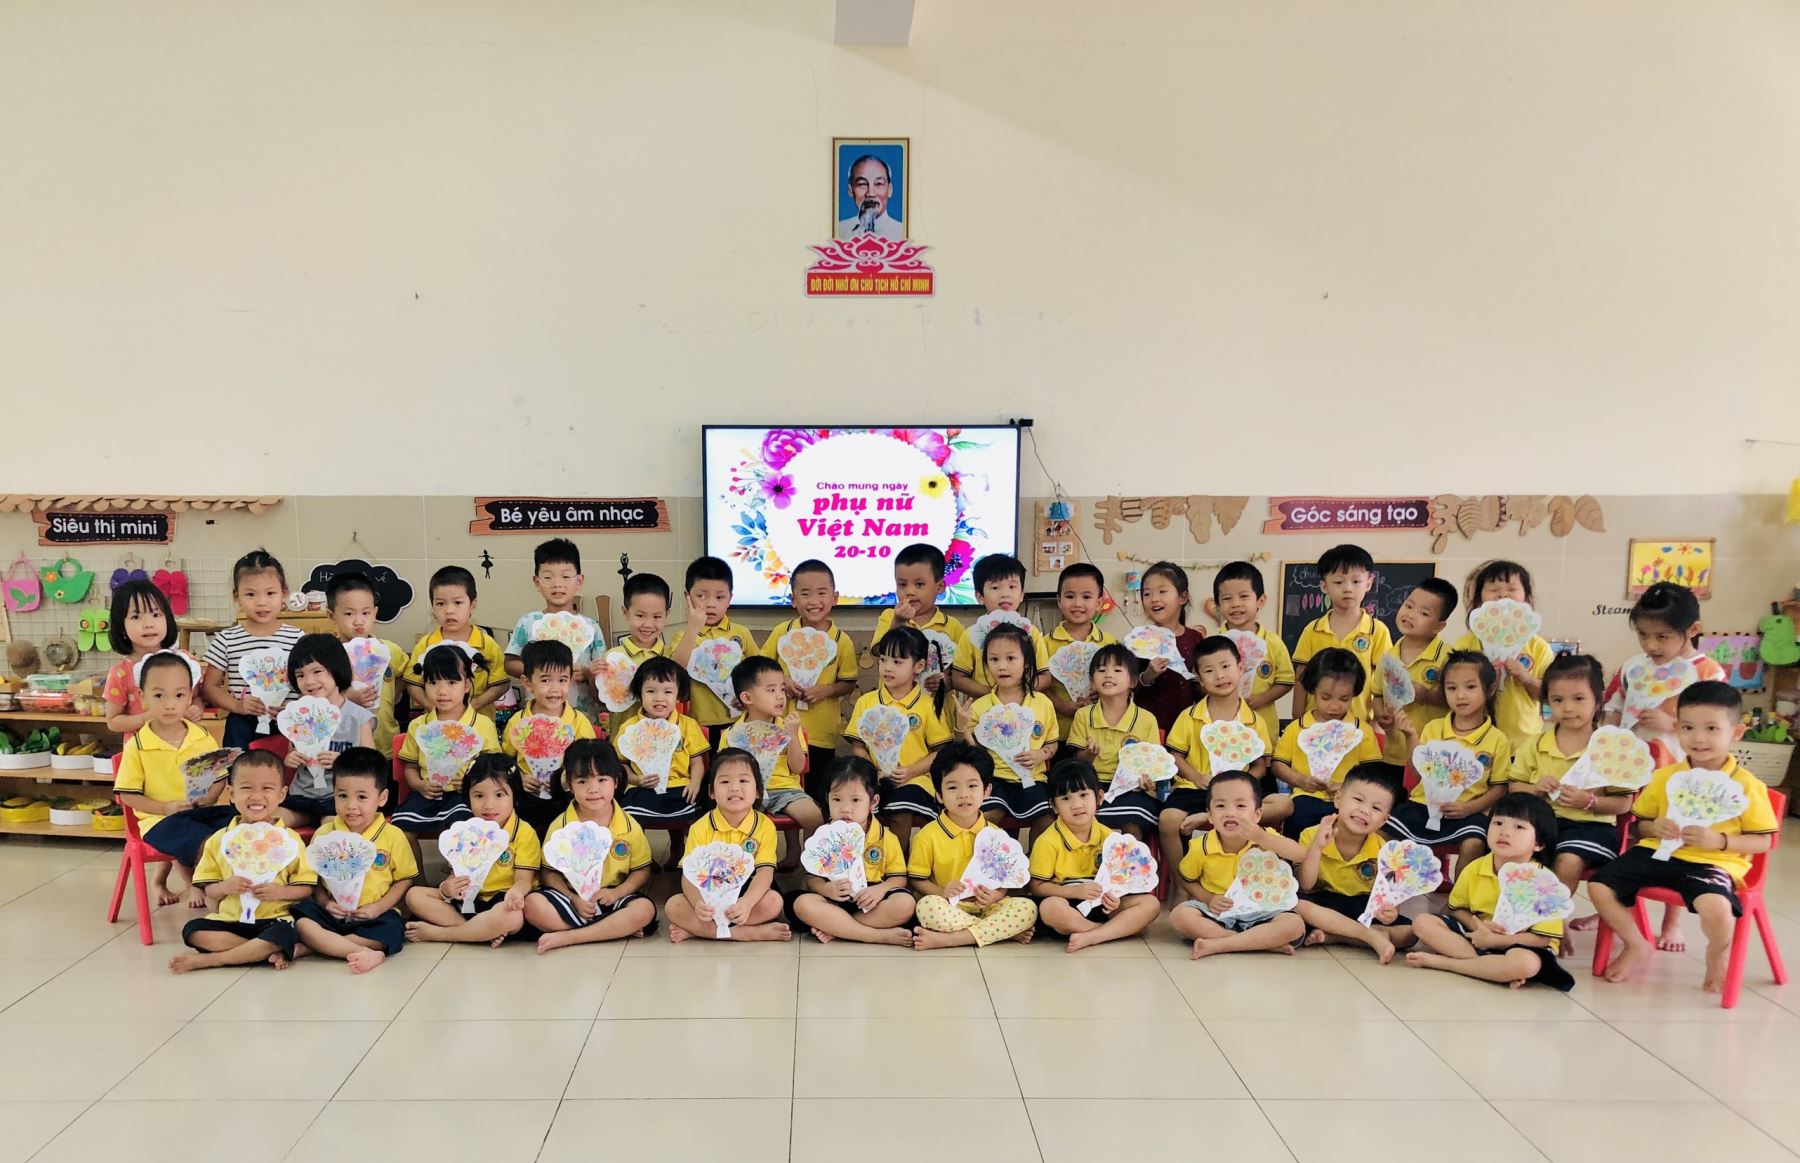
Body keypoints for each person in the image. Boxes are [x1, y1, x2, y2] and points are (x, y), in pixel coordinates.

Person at [1589, 681, 1779, 992]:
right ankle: (1636, 943)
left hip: (1712, 862)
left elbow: (1764, 841)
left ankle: (1717, 953)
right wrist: (1654, 827)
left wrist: (1720, 841)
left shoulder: (1747, 785)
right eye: (1688, 728)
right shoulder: (1666, 776)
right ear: (1677, 728)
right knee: (1599, 885)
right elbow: (1638, 825)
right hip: (1657, 853)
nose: (1699, 738)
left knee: (1717, 909)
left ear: (1735, 733)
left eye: (1712, 729)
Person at [1600, 580, 1726, 953]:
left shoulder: (1706, 671)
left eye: (1662, 637)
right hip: (1628, 770)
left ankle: (1673, 921)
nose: (1651, 645)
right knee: (1624, 835)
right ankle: (1616, 906)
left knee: (1674, 839)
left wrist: (1672, 724)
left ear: (1693, 630)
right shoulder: (1632, 667)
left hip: (1680, 773)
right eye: (1643, 635)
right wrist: (1608, 736)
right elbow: (1613, 706)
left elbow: (1717, 723)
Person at [1505, 653, 1633, 951]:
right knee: (1511, 848)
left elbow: (1624, 804)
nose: (1568, 708)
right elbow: (1514, 786)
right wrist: (1535, 789)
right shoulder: (1536, 743)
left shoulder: (1610, 748)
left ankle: (1553, 919)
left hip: (1592, 829)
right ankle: (1513, 918)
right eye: (1558, 700)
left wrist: (1590, 801)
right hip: (1545, 824)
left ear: (1598, 700)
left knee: (1569, 859)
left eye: (1578, 698)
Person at [1405, 792, 1574, 991]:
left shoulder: (1544, 882)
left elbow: (1542, 938)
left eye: (1519, 827)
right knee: (1423, 922)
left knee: (1527, 964)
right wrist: (1478, 927)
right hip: (1477, 936)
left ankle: (1448, 964)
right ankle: (1491, 969)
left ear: (1539, 843)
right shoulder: (1475, 868)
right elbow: (1456, 909)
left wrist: (1498, 940)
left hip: (1520, 942)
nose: (1505, 832)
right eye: (1498, 823)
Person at [170, 751, 316, 974]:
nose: (257, 796)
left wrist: (280, 892)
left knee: (285, 932)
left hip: (274, 919)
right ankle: (264, 951)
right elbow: (209, 890)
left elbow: (306, 888)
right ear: (231, 793)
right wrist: (225, 887)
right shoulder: (219, 840)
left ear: (281, 794)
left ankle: (214, 960)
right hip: (231, 920)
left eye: (267, 788)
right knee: (193, 930)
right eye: (247, 788)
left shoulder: (290, 840)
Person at [114, 651, 236, 907]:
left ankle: (243, 887)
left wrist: (210, 797)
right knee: (203, 839)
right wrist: (164, 808)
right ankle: (211, 891)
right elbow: (128, 796)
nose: (170, 704)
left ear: (190, 697)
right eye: (159, 696)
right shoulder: (138, 745)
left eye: (179, 695)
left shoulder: (201, 736)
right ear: (143, 697)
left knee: (239, 824)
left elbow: (218, 778)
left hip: (199, 811)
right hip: (159, 820)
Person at [524, 740, 658, 952]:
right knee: (532, 904)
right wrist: (572, 898)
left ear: (616, 781)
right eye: (582, 781)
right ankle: (609, 929)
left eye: (602, 779)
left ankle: (570, 936)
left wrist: (617, 893)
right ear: (569, 784)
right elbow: (549, 873)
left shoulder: (629, 826)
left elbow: (641, 870)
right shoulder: (560, 826)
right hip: (571, 898)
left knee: (644, 910)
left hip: (612, 896)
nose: (593, 789)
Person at [290, 747, 417, 973]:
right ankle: (357, 950)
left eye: (362, 797)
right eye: (342, 796)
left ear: (382, 798)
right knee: (302, 921)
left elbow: (404, 879)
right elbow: (315, 881)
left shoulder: (393, 835)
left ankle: (318, 947)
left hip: (373, 915)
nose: (351, 805)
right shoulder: (324, 834)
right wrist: (325, 903)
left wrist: (378, 908)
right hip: (332, 914)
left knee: (390, 930)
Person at [1160, 635, 1278, 871]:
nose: (1220, 676)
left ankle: (1208, 817)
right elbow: (1175, 756)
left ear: (1240, 668)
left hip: (1240, 794)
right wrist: (1196, 777)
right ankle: (1181, 881)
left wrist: (1241, 784)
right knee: (1167, 820)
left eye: (1226, 666)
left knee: (1283, 805)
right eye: (1210, 670)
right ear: (1199, 678)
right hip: (1196, 789)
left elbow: (1260, 766)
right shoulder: (1189, 716)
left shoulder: (1254, 720)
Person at [1385, 650, 1511, 870]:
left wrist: (1469, 808)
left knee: (1474, 843)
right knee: (1380, 830)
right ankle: (1386, 888)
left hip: (1467, 813)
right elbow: (1417, 773)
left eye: (1470, 687)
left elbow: (1499, 788)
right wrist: (1410, 736)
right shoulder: (1433, 728)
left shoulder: (1497, 739)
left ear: (1489, 689)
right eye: (1452, 688)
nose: (1460, 695)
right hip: (1421, 806)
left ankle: (1461, 892)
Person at [909, 743, 1038, 949]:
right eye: (952, 787)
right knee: (927, 907)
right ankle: (998, 932)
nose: (964, 794)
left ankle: (952, 939)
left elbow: (1004, 879)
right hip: (949, 906)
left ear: (987, 791)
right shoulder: (927, 836)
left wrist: (997, 895)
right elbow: (917, 879)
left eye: (972, 786)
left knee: (1028, 908)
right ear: (939, 795)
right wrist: (941, 891)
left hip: (988, 906)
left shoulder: (996, 833)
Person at [403, 756, 540, 947]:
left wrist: (516, 895)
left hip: (503, 901)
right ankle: (479, 931)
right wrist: (446, 888)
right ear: (468, 797)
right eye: (479, 796)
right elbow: (455, 875)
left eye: (499, 795)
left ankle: (443, 934)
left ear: (514, 796)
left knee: (512, 917)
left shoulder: (523, 832)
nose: (489, 805)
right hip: (469, 901)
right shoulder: (464, 831)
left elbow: (524, 881)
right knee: (414, 895)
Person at [1169, 770, 1306, 959]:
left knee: (1294, 924)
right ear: (1210, 815)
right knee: (1180, 916)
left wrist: (1262, 837)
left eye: (1240, 805)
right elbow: (1186, 879)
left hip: (1262, 910)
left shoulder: (1265, 837)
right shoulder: (1201, 846)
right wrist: (1209, 898)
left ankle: (1221, 944)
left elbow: (1300, 854)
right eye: (1220, 806)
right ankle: (1258, 943)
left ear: (1257, 814)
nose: (1230, 813)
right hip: (1218, 912)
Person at [1029, 760, 1160, 952]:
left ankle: (1093, 936)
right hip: (1067, 903)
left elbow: (1119, 880)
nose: (1076, 805)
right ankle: (1105, 931)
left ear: (1099, 797)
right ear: (1054, 806)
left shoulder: (1110, 837)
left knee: (1151, 904)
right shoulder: (1047, 841)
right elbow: (1036, 887)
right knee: (1050, 908)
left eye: (1083, 795)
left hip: (1102, 904)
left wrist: (1114, 897)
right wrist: (1075, 892)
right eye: (1065, 798)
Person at [664, 748, 791, 943]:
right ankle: (745, 934)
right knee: (674, 906)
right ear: (711, 792)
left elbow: (765, 872)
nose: (734, 788)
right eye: (725, 782)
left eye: (743, 781)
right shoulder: (700, 827)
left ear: (758, 791)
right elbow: (689, 876)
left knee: (774, 902)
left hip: (746, 891)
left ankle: (701, 931)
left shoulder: (764, 825)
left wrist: (747, 903)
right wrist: (698, 903)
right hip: (709, 894)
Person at [789, 756, 917, 946]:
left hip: (871, 903)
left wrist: (880, 890)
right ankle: (873, 935)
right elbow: (812, 879)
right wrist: (825, 889)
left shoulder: (886, 838)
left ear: (873, 802)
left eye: (856, 800)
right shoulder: (823, 836)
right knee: (802, 904)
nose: (845, 809)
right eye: (836, 799)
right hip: (834, 900)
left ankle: (838, 928)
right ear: (827, 799)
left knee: (905, 904)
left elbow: (898, 878)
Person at [1293, 765, 1414, 963]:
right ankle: (1369, 936)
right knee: (1298, 906)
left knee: (1411, 933)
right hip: (1322, 903)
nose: (1365, 811)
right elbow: (1305, 885)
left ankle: (1336, 936)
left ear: (1384, 820)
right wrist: (1317, 847)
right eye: (1358, 800)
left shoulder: (1385, 851)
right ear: (1338, 799)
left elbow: (1391, 897)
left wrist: (1391, 912)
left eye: (1376, 808)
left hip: (1362, 906)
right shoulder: (1311, 834)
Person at [761, 559, 859, 802]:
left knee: (818, 793)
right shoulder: (782, 632)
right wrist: (782, 680)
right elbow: (761, 669)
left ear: (835, 598)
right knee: (785, 789)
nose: (814, 601)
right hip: (781, 728)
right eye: (805, 594)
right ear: (793, 599)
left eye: (822, 593)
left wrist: (826, 690)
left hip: (821, 733)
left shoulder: (841, 641)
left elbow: (848, 682)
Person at [390, 644, 502, 842]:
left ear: (466, 685)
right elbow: (410, 767)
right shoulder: (419, 725)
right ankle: (414, 865)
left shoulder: (483, 725)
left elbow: (493, 769)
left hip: (465, 795)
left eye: (451, 682)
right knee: (401, 828)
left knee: (461, 827)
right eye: (433, 682)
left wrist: (472, 782)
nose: (442, 691)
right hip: (427, 794)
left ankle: (456, 863)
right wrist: (420, 785)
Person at [1267, 648, 1382, 837]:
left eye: (1344, 699)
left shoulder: (1362, 731)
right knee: (1298, 821)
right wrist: (1301, 780)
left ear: (1354, 694)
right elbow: (1278, 765)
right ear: (1313, 689)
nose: (1334, 706)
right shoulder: (1298, 728)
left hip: (1348, 800)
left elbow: (1373, 771)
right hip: (1305, 796)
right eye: (1326, 698)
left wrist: (1348, 787)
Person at [847, 626, 953, 832]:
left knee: (900, 808)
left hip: (916, 781)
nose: (887, 668)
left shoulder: (927, 705)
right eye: (883, 660)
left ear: (919, 666)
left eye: (897, 662)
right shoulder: (866, 702)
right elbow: (858, 746)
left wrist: (911, 771)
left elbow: (940, 752)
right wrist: (873, 769)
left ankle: (899, 854)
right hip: (876, 779)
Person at [199, 549, 304, 748]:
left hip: (287, 722)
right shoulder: (227, 639)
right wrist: (237, 706)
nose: (261, 602)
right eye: (250, 594)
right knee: (240, 766)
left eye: (270, 593)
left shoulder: (297, 638)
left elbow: (310, 682)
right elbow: (209, 688)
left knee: (287, 766)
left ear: (284, 593)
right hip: (242, 723)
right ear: (236, 597)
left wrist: (293, 709)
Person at [1452, 560, 1554, 750]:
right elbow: (1451, 692)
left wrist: (1526, 677)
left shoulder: (1538, 647)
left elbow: (1551, 696)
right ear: (1479, 599)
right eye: (1493, 589)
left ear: (1526, 598)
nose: (1503, 595)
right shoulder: (1465, 645)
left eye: (1512, 588)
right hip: (1474, 741)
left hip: (1523, 744)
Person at [277, 633, 376, 828]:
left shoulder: (358, 717)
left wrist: (343, 762)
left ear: (337, 669)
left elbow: (371, 764)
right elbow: (291, 753)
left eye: (317, 671)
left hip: (338, 800)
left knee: (330, 831)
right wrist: (290, 759)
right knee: (270, 823)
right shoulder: (297, 714)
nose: (309, 681)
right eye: (300, 675)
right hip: (300, 796)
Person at [502, 639, 596, 836]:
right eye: (545, 680)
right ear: (527, 683)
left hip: (567, 795)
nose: (554, 689)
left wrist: (567, 778)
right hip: (528, 795)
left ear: (571, 681)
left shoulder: (579, 722)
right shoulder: (517, 723)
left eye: (562, 680)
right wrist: (519, 778)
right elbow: (507, 762)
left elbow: (589, 762)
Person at [504, 538, 604, 723]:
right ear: (537, 582)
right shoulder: (528, 622)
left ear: (579, 581)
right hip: (539, 717)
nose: (557, 584)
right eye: (548, 577)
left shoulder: (591, 627)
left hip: (582, 717)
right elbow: (510, 664)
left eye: (565, 577)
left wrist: (587, 673)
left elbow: (602, 672)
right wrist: (546, 670)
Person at [969, 623, 1060, 825]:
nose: (1002, 666)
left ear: (1026, 662)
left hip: (1034, 779)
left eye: (1010, 658)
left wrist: (1042, 754)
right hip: (994, 779)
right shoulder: (979, 707)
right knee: (988, 818)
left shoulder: (1043, 703)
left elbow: (1052, 743)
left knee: (1046, 819)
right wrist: (961, 727)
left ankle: (1036, 849)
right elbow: (971, 750)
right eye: (994, 659)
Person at [1070, 645, 1162, 839]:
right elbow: (1078, 763)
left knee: (1133, 823)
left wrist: (1148, 782)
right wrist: (1089, 755)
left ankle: (1130, 859)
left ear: (1133, 681)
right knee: (1078, 816)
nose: (1108, 675)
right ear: (1092, 682)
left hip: (1131, 789)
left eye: (1117, 670)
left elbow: (1152, 768)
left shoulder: (1147, 719)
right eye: (1101, 670)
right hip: (1092, 786)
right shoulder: (1083, 715)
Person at [1291, 544, 1390, 722]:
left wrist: (1377, 722)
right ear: (1324, 586)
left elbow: (1384, 680)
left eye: (1356, 581)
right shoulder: (1312, 630)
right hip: (1316, 723)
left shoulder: (1377, 631)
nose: (1348, 588)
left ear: (1369, 583)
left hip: (1359, 724)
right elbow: (1301, 675)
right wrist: (1298, 716)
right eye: (1338, 582)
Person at [729, 655, 819, 844]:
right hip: (747, 791)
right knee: (731, 817)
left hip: (785, 790)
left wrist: (792, 734)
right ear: (747, 697)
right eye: (771, 690)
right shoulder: (732, 734)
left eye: (782, 689)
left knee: (814, 817)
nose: (780, 696)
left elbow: (798, 767)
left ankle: (802, 858)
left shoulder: (789, 727)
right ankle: (746, 858)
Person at [670, 556, 760, 743]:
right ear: (687, 597)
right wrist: (693, 628)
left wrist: (749, 697)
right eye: (701, 596)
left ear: (730, 598)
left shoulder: (741, 633)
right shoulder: (683, 636)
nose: (711, 604)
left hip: (740, 719)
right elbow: (674, 671)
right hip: (699, 723)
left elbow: (758, 673)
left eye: (720, 597)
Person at [1371, 579, 1456, 773]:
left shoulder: (1449, 658)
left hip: (1432, 755)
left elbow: (1458, 702)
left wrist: (1428, 695)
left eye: (1424, 613)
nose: (1410, 615)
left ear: (1439, 626)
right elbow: (1378, 695)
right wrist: (1380, 714)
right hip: (1394, 753)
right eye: (1408, 606)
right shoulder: (1389, 656)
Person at [325, 571, 410, 757]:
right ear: (331, 615)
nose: (359, 621)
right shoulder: (328, 656)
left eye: (366, 613)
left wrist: (393, 694)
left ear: (375, 613)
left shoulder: (389, 650)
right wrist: (345, 699)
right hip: (343, 749)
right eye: (349, 613)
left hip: (384, 745)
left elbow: (407, 674)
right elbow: (318, 696)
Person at [615, 657, 708, 827]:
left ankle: (679, 841)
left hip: (680, 786)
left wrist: (695, 783)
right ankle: (640, 845)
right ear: (639, 694)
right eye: (651, 691)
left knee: (697, 812)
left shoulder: (688, 725)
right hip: (643, 789)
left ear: (678, 695)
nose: (659, 698)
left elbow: (697, 762)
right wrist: (636, 779)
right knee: (628, 814)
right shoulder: (628, 728)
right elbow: (621, 765)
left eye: (668, 692)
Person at [405, 566, 508, 720]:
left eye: (458, 602)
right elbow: (413, 683)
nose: (449, 611)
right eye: (441, 604)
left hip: (478, 723)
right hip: (436, 725)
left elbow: (501, 684)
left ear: (472, 605)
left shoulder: (487, 644)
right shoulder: (425, 644)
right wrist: (430, 705)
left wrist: (475, 704)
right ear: (433, 606)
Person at [1212, 561, 1294, 744]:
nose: (1235, 604)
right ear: (1217, 604)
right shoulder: (1214, 644)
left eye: (1243, 596)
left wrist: (1263, 698)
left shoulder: (1272, 642)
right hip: (1224, 731)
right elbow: (1202, 681)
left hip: (1263, 730)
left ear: (1260, 600)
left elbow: (1286, 681)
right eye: (1227, 599)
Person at [869, 543, 968, 692]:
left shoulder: (952, 626)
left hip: (935, 705)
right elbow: (878, 651)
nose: (909, 591)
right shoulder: (889, 616)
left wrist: (948, 681)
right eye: (902, 584)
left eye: (919, 584)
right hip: (892, 704)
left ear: (940, 587)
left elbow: (961, 670)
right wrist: (898, 622)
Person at [103, 578, 197, 736]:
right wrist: (148, 717)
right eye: (136, 617)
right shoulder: (120, 673)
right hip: (142, 748)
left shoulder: (183, 660)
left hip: (182, 744)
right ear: (121, 626)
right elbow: (113, 721)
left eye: (156, 614)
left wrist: (197, 708)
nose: (148, 624)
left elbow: (197, 697)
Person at [949, 553, 1051, 698]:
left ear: (1022, 594)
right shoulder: (971, 634)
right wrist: (993, 696)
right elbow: (958, 678)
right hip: (983, 708)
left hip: (1023, 707)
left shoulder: (1031, 632)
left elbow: (1045, 677)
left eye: (1012, 586)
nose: (1005, 594)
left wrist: (1018, 694)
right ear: (980, 596)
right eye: (995, 587)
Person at [1046, 562, 1118, 740]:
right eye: (1070, 596)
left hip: (1101, 733)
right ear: (1059, 600)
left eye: (1086, 597)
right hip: (1058, 733)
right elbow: (1037, 686)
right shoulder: (1044, 643)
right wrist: (1063, 706)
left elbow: (1120, 686)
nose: (1078, 604)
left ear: (1099, 603)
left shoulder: (1110, 643)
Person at [1133, 561, 1204, 737]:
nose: (1154, 599)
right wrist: (1148, 676)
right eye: (1147, 593)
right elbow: (1129, 687)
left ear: (1182, 597)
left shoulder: (1195, 638)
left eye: (1162, 591)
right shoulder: (1139, 640)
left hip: (1186, 727)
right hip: (1148, 728)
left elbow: (1199, 691)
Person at [604, 572, 672, 737]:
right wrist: (592, 677)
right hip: (622, 740)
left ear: (667, 615)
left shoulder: (671, 657)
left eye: (657, 616)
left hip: (663, 740)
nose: (648, 624)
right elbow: (601, 698)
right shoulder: (613, 658)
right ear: (625, 612)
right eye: (640, 616)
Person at [834, 153, 905, 240]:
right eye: (862, 184)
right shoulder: (838, 231)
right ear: (850, 190)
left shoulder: (903, 233)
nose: (870, 193)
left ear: (889, 190)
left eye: (878, 183)